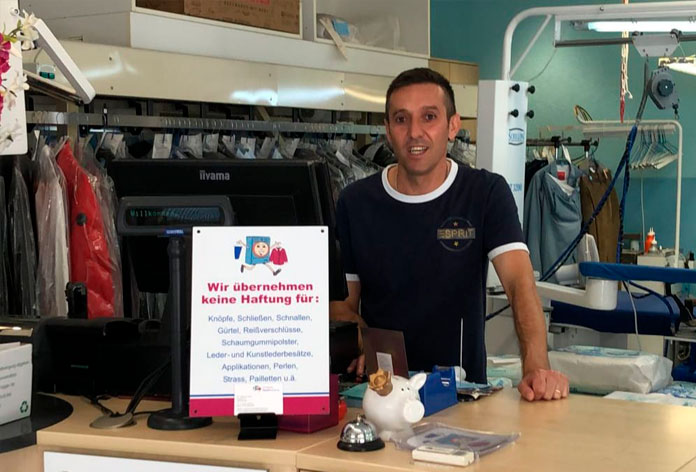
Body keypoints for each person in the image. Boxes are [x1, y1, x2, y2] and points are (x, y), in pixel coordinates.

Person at [329, 68, 569, 402]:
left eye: (429, 117)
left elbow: (519, 284)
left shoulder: (485, 193)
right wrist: (361, 344)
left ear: (453, 126)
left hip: (463, 396)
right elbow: (342, 306)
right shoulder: (355, 202)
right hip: (382, 395)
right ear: (387, 130)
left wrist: (536, 367)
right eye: (401, 119)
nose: (415, 132)